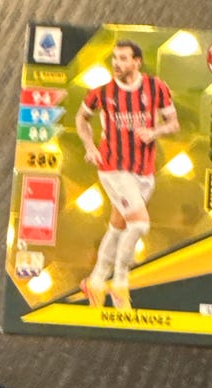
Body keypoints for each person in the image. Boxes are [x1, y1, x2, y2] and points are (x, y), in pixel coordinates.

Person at [76, 40, 180, 309]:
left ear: (137, 62)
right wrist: (90, 147)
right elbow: (81, 118)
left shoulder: (156, 87)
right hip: (113, 167)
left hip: (144, 171)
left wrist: (154, 132)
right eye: (115, 58)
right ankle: (120, 282)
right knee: (140, 225)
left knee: (118, 226)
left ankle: (95, 281)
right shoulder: (102, 92)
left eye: (123, 58)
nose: (117, 63)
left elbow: (173, 123)